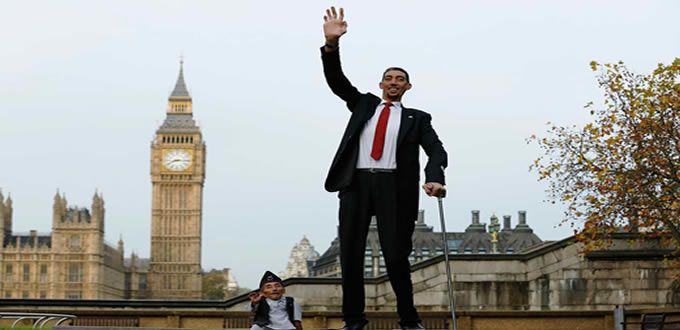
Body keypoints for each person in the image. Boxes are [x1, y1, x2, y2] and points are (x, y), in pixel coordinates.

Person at [320, 7, 448, 330]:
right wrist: (331, 44)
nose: (394, 83)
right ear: (380, 84)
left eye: (400, 79)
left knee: (395, 258)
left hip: (394, 188)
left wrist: (434, 179)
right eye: (389, 78)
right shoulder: (363, 104)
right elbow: (337, 81)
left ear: (408, 87)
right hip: (357, 184)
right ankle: (353, 321)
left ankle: (409, 320)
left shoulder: (417, 118)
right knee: (350, 255)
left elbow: (436, 150)